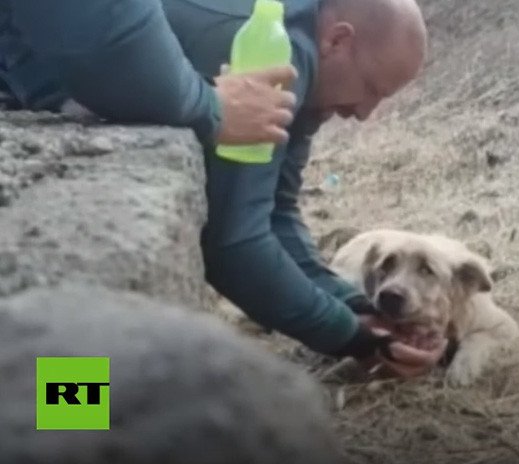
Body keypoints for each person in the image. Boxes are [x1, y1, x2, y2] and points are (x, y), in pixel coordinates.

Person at [0, 0, 447, 378]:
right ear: (338, 40)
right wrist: (350, 336)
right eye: (371, 88)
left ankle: (67, 422)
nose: (365, 113)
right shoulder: (270, 47)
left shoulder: (299, 53)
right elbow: (234, 244)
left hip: (46, 98)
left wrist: (351, 306)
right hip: (39, 123)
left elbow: (273, 212)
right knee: (85, 295)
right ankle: (66, 429)